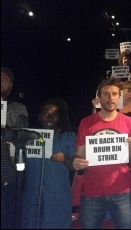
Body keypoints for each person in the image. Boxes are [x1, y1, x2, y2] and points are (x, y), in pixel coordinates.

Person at [72, 77, 131, 229]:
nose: (111, 98)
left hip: (122, 191)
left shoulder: (129, 123)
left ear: (119, 96)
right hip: (92, 193)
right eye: (106, 94)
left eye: (115, 94)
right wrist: (76, 162)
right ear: (99, 97)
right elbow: (79, 155)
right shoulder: (86, 122)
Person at [19, 97, 76, 229]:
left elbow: (74, 167)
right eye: (46, 114)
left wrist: (65, 158)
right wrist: (11, 149)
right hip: (32, 196)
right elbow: (18, 167)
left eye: (54, 115)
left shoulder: (68, 137)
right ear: (39, 117)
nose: (50, 118)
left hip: (57, 196)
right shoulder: (28, 136)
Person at [1, 67, 29, 229]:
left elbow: (20, 129)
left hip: (7, 178)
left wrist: (1, 107)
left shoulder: (18, 108)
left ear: (10, 86)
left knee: (6, 221)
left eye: (3, 80)